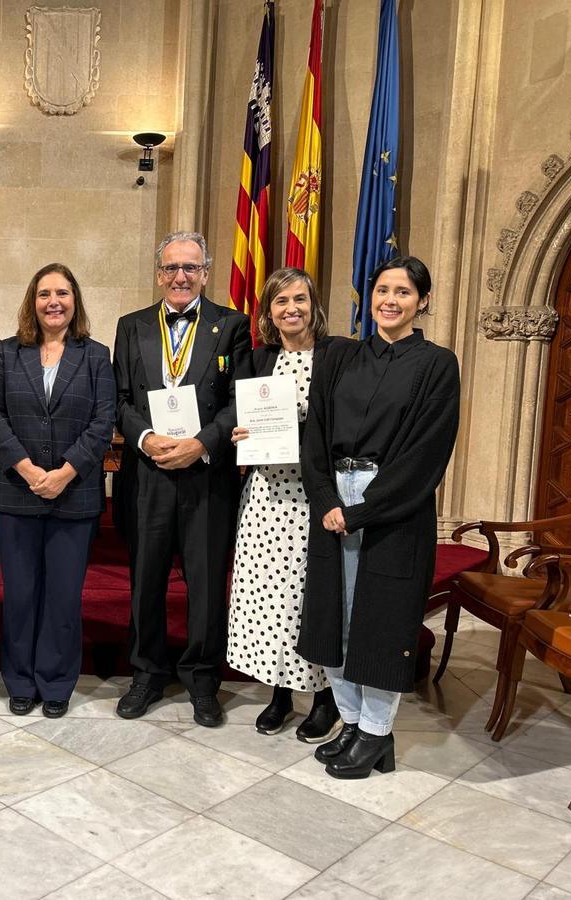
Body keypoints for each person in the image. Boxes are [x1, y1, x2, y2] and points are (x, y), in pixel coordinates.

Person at [298, 255, 460, 778]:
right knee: (334, 619)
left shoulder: (436, 364)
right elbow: (315, 432)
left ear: (423, 301)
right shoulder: (339, 356)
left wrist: (363, 510)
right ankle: (350, 722)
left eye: (404, 292)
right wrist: (326, 498)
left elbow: (425, 453)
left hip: (393, 504)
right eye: (383, 290)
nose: (390, 300)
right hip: (333, 498)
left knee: (381, 623)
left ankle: (375, 732)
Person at [112, 231, 252, 727]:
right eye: (171, 267)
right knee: (146, 579)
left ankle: (202, 678)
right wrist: (145, 438)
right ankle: (146, 674)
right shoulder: (131, 325)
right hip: (147, 473)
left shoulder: (232, 325)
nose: (180, 276)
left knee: (207, 583)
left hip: (206, 474)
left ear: (205, 273)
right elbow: (119, 398)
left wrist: (203, 443)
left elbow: (239, 398)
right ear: (158, 274)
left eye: (190, 267)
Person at [0, 263, 115, 717]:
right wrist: (27, 469)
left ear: (75, 301)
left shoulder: (96, 355)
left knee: (62, 596)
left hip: (74, 496)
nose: (53, 302)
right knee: (19, 595)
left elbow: (103, 421)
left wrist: (64, 473)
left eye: (62, 293)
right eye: (44, 294)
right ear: (32, 302)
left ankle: (56, 683)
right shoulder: (7, 352)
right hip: (14, 494)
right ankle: (20, 680)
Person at [227, 268, 342, 742]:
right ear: (268, 312)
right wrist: (241, 434)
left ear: (313, 304)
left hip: (313, 499)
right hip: (266, 498)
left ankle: (325, 698)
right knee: (272, 599)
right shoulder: (258, 359)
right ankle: (280, 694)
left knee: (309, 598)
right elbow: (241, 416)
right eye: (281, 301)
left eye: (299, 299)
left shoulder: (336, 356)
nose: (291, 309)